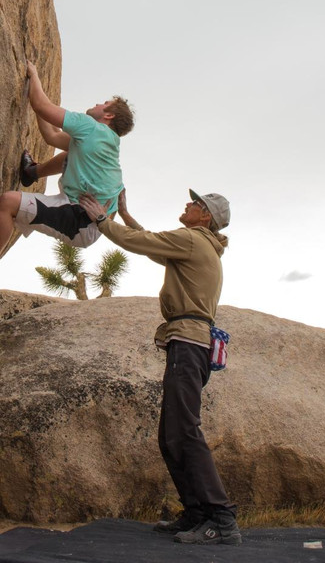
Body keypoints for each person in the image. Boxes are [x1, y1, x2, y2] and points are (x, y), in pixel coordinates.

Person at [79, 188, 240, 546]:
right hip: (189, 343)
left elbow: (142, 244)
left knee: (184, 432)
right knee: (171, 436)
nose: (188, 205)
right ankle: (197, 513)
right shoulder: (195, 244)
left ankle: (222, 518)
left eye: (195, 204)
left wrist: (103, 220)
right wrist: (124, 217)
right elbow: (152, 245)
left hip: (188, 342)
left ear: (206, 217)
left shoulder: (193, 240)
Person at [0, 60, 134, 288]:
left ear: (109, 116)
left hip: (82, 219)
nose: (97, 103)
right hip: (87, 216)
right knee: (71, 150)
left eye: (104, 103)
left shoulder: (92, 128)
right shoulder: (101, 141)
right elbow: (52, 137)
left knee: (8, 202)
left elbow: (43, 106)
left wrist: (33, 73)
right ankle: (31, 172)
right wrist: (33, 102)